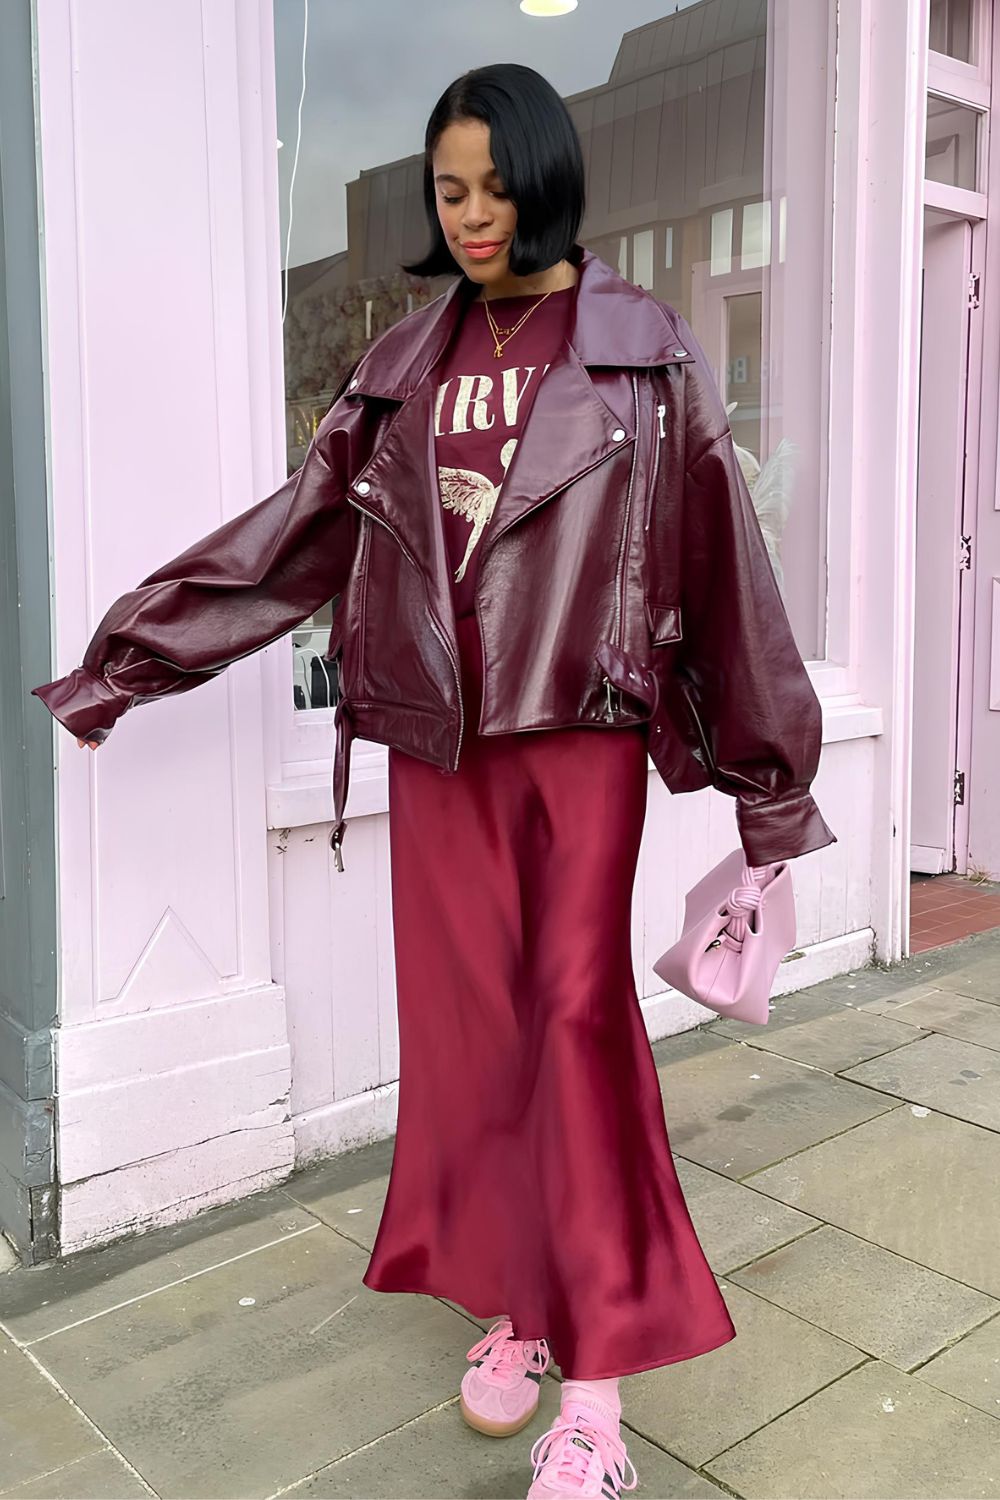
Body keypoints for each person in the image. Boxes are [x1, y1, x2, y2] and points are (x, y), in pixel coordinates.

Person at [33, 62, 835, 1500]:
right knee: (473, 1042)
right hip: (438, 747)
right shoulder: (407, 364)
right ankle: (520, 1309)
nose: (470, 215)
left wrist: (772, 793)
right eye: (446, 191)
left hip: (581, 739)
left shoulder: (646, 355)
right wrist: (126, 663)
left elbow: (729, 576)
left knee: (576, 1026)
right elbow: (294, 538)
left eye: (491, 184)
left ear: (548, 175)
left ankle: (597, 1393)